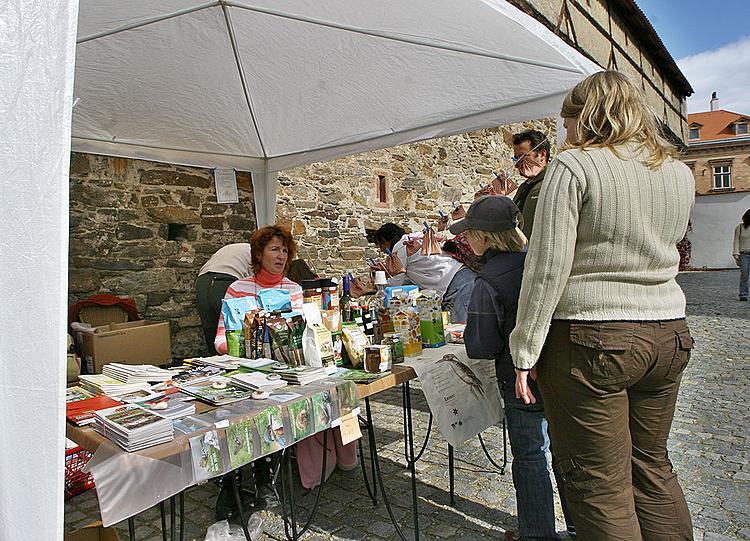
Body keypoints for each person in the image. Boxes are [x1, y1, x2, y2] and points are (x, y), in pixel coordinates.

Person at [510, 71, 695, 539]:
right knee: (652, 467)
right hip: (668, 333)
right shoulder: (676, 169)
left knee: (599, 483)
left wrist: (525, 350)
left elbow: (547, 267)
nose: (565, 133)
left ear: (588, 117)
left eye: (568, 122)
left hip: (594, 337)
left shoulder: (575, 166)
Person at [456, 196, 572, 541]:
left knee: (530, 455)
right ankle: (582, 526)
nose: (465, 240)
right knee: (564, 451)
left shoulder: (487, 280)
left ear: (485, 238)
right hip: (558, 370)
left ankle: (537, 534)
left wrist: (466, 332)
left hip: (519, 377)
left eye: (469, 234)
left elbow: (482, 345)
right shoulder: (538, 261)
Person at [214, 226, 303, 354]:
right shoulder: (237, 289)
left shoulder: (295, 291)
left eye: (285, 251)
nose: (281, 256)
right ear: (258, 254)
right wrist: (242, 351)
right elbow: (220, 339)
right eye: (275, 249)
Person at [369, 222, 476, 322]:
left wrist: (377, 286)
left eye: (380, 245)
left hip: (456, 284)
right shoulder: (415, 238)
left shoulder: (400, 246)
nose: (381, 249)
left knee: (460, 329)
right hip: (461, 277)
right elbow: (410, 278)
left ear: (386, 241)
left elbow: (398, 281)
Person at [195, 243, 253, 355]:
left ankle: (215, 364)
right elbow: (254, 285)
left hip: (203, 281)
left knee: (211, 329)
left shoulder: (240, 248)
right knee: (234, 331)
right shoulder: (259, 253)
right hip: (225, 280)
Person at [511, 129, 551, 240]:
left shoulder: (552, 182)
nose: (518, 163)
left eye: (523, 157)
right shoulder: (524, 186)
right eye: (516, 158)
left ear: (542, 154)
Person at [733, 209, 750, 301]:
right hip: (744, 255)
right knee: (744, 275)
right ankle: (743, 294)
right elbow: (736, 241)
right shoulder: (739, 228)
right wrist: (736, 254)